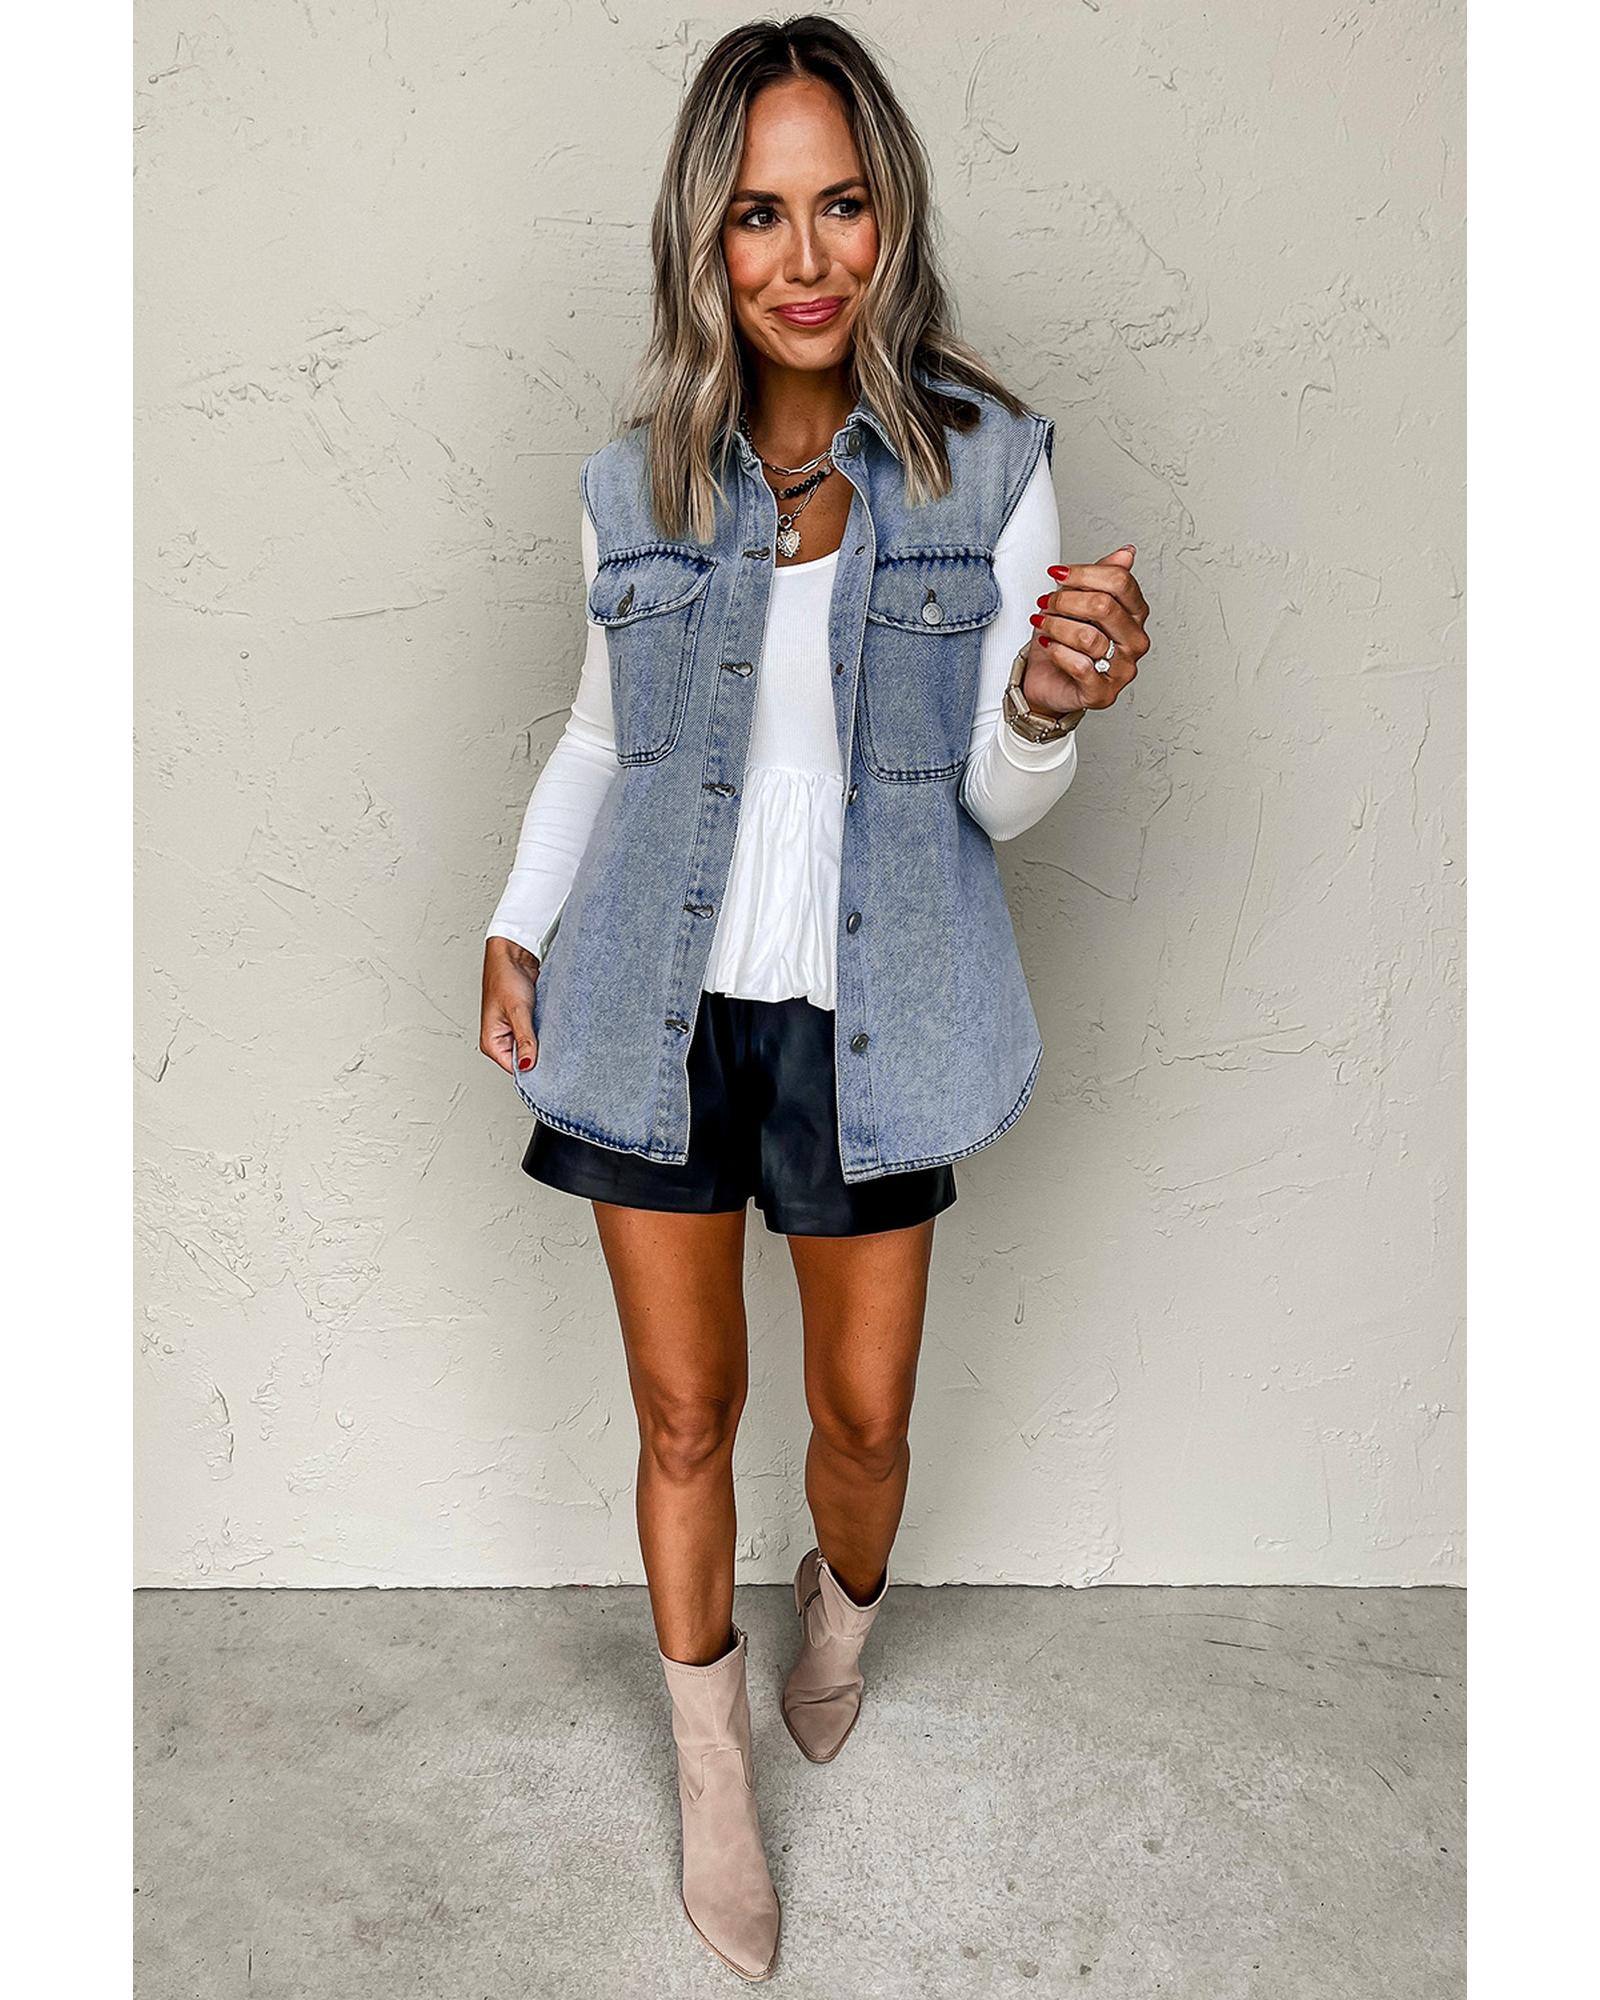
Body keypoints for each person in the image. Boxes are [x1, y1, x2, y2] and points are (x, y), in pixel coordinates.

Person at [478, 15, 1149, 1982]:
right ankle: (711, 1768)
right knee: (684, 1413)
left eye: (839, 204)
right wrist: (514, 922)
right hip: (648, 1000)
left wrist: (1048, 700)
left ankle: (837, 1613)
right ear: (706, 235)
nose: (803, 255)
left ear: (889, 216)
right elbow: (597, 739)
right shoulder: (631, 482)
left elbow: (995, 799)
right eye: (759, 213)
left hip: (878, 1012)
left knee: (859, 1422)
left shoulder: (986, 463)